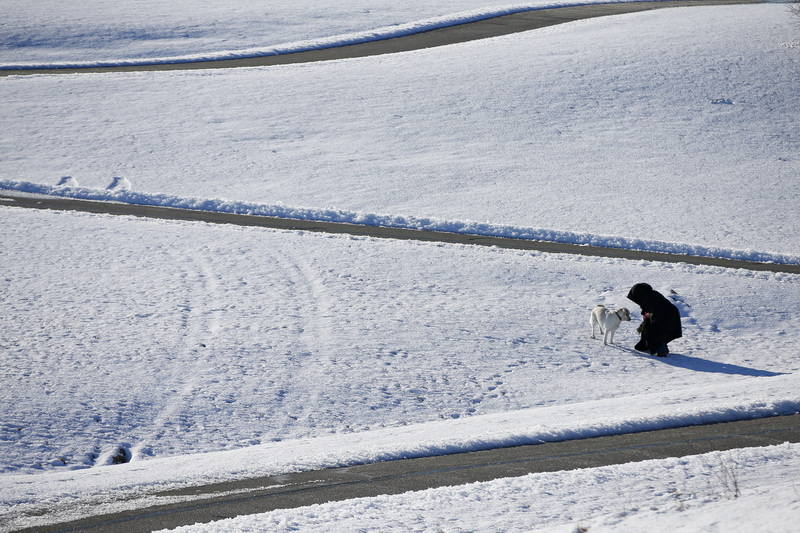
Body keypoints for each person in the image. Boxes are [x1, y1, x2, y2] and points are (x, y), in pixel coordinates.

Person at [626, 283, 682, 357]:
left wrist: (649, 318)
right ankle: (647, 345)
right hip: (668, 313)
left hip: (667, 315)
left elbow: (657, 311)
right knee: (651, 328)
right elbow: (648, 310)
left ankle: (661, 350)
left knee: (656, 331)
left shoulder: (649, 297)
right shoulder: (648, 295)